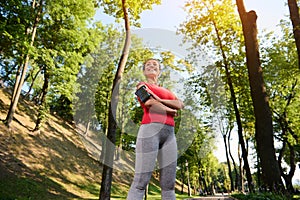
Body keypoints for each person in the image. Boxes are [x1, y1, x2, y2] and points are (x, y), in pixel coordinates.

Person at [127, 58, 184, 200]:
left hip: (169, 135)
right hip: (149, 131)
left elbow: (180, 104)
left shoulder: (167, 90)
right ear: (144, 71)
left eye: (155, 65)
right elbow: (149, 103)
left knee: (169, 184)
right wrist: (170, 111)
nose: (151, 66)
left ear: (159, 71)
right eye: (148, 64)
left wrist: (159, 98)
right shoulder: (141, 85)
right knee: (141, 181)